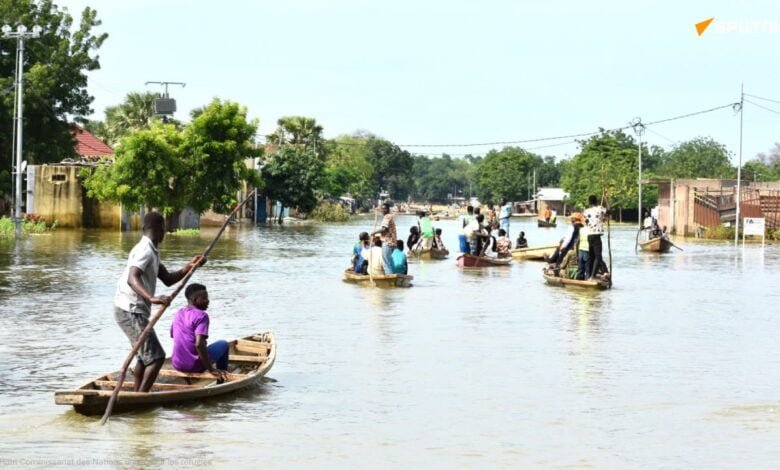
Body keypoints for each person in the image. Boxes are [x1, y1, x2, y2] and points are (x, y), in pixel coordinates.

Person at [113, 212, 205, 392]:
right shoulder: (145, 251)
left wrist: (191, 265)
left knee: (143, 357)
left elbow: (168, 278)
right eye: (163, 229)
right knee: (156, 358)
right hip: (129, 310)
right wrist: (151, 298)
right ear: (158, 230)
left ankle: (136, 394)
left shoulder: (152, 250)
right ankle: (141, 399)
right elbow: (133, 278)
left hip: (132, 310)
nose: (165, 232)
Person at [170, 283, 228, 382]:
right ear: (194, 300)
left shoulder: (179, 312)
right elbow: (199, 344)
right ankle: (221, 379)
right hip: (193, 365)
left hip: (177, 364)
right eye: (204, 298)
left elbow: (172, 334)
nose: (208, 301)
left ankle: (188, 381)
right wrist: (211, 369)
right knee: (224, 344)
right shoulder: (202, 315)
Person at [584, 195, 609, 280]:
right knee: (598, 256)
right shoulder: (600, 208)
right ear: (596, 201)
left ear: (589, 202)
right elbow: (609, 211)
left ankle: (590, 275)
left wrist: (602, 219)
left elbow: (588, 222)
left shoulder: (586, 211)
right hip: (596, 235)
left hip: (589, 235)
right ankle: (592, 276)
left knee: (591, 256)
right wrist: (606, 201)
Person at [371, 202, 396, 274]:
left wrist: (373, 233)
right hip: (391, 242)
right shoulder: (390, 217)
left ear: (388, 209)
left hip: (387, 242)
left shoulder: (387, 217)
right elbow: (387, 231)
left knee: (386, 263)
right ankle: (391, 276)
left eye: (385, 209)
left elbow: (384, 229)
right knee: (389, 262)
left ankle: (389, 278)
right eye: (382, 209)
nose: (383, 210)